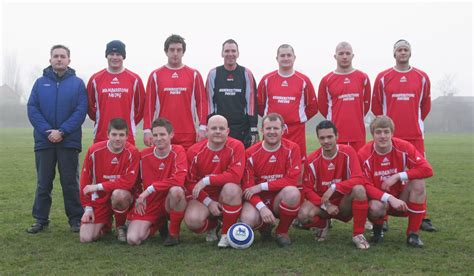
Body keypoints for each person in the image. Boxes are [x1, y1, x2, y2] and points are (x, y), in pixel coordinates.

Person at [372, 39, 436, 232]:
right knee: (385, 173)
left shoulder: (421, 76)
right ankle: (382, 218)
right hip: (390, 137)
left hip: (414, 136)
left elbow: (425, 106)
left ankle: (420, 217)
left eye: (405, 49)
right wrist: (387, 129)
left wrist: (414, 122)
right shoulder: (383, 77)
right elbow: (376, 107)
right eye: (399, 49)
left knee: (418, 176)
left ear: (410, 53)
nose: (402, 52)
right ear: (394, 53)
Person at [26, 44, 88, 234]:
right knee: (44, 182)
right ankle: (40, 219)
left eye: (63, 56)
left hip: (68, 141)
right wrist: (47, 131)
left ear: (69, 60)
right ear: (50, 59)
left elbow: (80, 110)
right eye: (56, 56)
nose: (59, 59)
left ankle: (76, 219)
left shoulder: (77, 84)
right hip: (44, 142)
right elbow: (32, 108)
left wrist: (62, 131)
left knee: (70, 182)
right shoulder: (39, 83)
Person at [358, 116, 433, 247]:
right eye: (378, 132)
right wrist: (389, 198)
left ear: (392, 133)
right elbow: (365, 185)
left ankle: (413, 234)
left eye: (386, 132)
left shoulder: (403, 147)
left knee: (418, 182)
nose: (383, 136)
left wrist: (398, 176)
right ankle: (378, 229)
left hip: (401, 199)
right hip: (379, 202)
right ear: (372, 135)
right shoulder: (363, 154)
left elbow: (427, 170)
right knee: (374, 207)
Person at [297, 120, 370, 250]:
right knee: (303, 214)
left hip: (344, 203)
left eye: (330, 137)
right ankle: (322, 224)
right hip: (324, 204)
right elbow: (307, 189)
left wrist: (334, 187)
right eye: (322, 138)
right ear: (318, 139)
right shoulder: (312, 159)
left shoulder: (348, 152)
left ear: (337, 136)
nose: (326, 141)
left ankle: (358, 234)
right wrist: (326, 204)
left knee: (359, 190)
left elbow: (359, 178)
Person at [240, 113, 302, 247]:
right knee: (247, 220)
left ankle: (282, 232)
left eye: (276, 128)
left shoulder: (292, 149)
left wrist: (261, 186)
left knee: (293, 192)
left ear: (283, 130)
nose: (272, 132)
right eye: (268, 128)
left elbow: (291, 181)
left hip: (279, 199)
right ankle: (264, 228)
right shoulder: (250, 153)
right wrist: (262, 207)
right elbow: (248, 188)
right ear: (262, 130)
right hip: (258, 200)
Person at [183, 115, 245, 248]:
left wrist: (207, 180)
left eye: (221, 128)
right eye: (214, 128)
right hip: (204, 197)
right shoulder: (194, 151)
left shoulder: (237, 146)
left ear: (227, 131)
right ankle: (214, 225)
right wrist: (208, 201)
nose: (218, 131)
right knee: (193, 221)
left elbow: (235, 176)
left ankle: (226, 233)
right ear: (206, 131)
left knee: (232, 188)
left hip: (226, 194)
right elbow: (189, 182)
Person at [127, 118, 188, 246]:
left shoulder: (178, 151)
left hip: (169, 200)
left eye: (162, 134)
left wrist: (149, 190)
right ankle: (158, 223)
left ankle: (173, 233)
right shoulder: (143, 155)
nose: (158, 138)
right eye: (155, 135)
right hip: (151, 202)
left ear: (171, 135)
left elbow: (178, 179)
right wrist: (139, 198)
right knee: (133, 239)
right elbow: (135, 182)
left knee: (177, 190)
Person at [79, 118, 140, 243]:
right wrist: (88, 208)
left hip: (123, 198)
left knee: (119, 194)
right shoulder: (94, 151)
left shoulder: (132, 152)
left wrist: (98, 186)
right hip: (100, 200)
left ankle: (120, 226)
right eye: (114, 134)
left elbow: (128, 182)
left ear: (127, 136)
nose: (117, 138)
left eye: (121, 135)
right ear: (108, 134)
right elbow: (84, 183)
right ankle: (105, 225)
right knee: (86, 238)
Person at [143, 34, 208, 149]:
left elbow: (201, 103)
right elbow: (149, 106)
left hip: (188, 134)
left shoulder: (194, 74)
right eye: (172, 50)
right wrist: (147, 130)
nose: (175, 53)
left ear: (183, 52)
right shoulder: (155, 75)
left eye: (179, 50)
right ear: (166, 52)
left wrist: (203, 127)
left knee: (185, 167)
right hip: (162, 134)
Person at [257, 44, 318, 158]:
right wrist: (270, 121)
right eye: (282, 55)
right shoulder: (267, 79)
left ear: (294, 57)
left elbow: (313, 107)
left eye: (289, 55)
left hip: (296, 131)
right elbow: (260, 105)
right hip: (272, 130)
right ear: (277, 58)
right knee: (271, 161)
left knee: (298, 162)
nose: (285, 58)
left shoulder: (303, 80)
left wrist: (298, 118)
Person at [87, 40, 145, 145]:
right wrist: (101, 119)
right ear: (106, 56)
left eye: (118, 54)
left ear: (123, 56)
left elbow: (140, 109)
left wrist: (129, 123)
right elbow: (90, 107)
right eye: (111, 54)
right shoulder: (95, 79)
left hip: (127, 136)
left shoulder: (135, 79)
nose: (114, 57)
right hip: (101, 135)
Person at [318, 41, 371, 152]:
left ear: (353, 55)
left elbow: (366, 105)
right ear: (335, 56)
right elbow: (323, 108)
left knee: (358, 166)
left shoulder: (363, 77)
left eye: (347, 53)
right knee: (337, 167)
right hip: (335, 134)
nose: (344, 56)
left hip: (358, 134)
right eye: (341, 53)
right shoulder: (326, 80)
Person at [206, 39, 258, 148]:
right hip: (219, 128)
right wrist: (210, 124)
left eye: (233, 51)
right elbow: (209, 103)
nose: (230, 54)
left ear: (238, 54)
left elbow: (251, 103)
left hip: (241, 128)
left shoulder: (246, 73)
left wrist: (253, 128)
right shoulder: (213, 74)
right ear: (222, 53)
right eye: (227, 51)